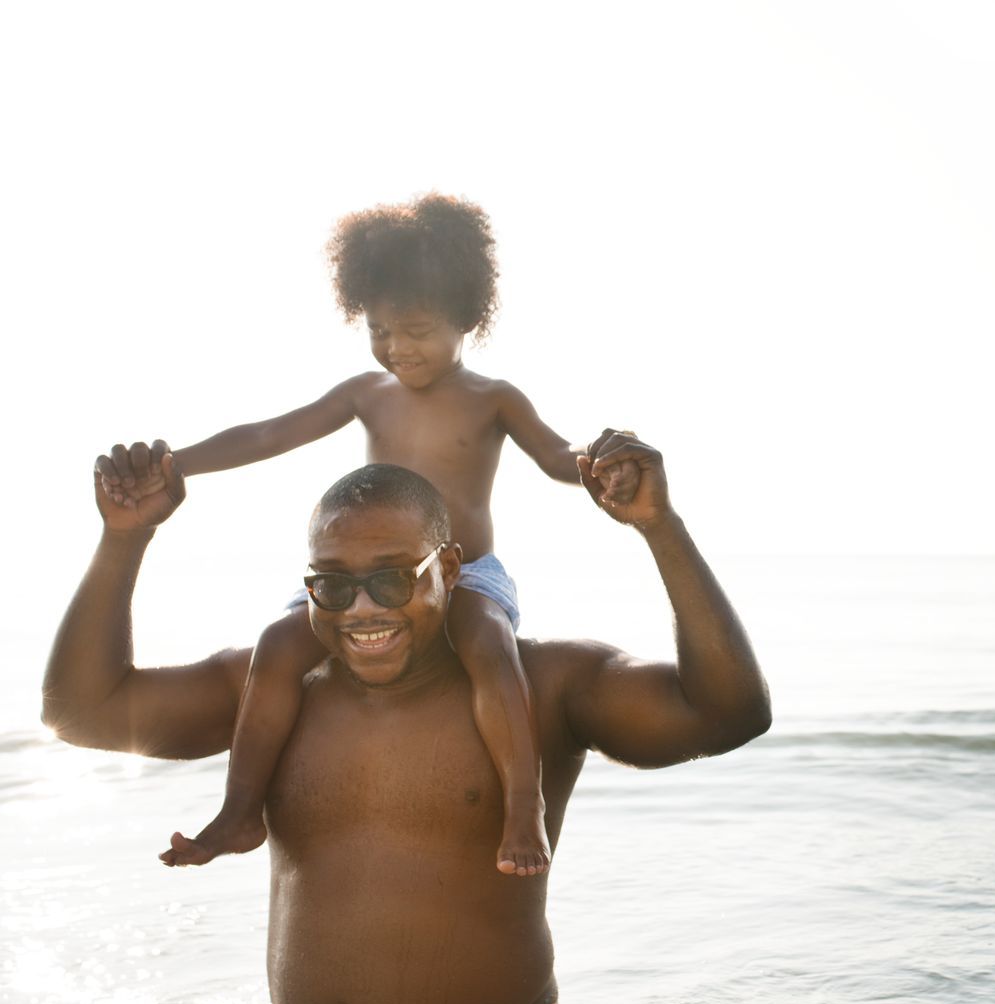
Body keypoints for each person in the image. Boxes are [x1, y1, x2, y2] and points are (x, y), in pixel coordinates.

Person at [44, 431, 769, 1004]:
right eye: (332, 584)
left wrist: (658, 528)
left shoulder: (543, 686)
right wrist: (125, 540)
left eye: (392, 578)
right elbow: (81, 713)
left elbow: (727, 714)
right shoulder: (272, 690)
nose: (362, 608)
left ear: (448, 568)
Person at [101, 192, 616, 876]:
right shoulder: (365, 393)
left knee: (491, 648)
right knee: (279, 644)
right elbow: (269, 433)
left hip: (467, 573)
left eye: (417, 328)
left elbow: (556, 458)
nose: (397, 347)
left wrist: (598, 464)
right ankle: (240, 809)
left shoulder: (495, 398)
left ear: (466, 316)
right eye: (379, 329)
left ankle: (525, 810)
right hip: (365, 577)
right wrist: (175, 464)